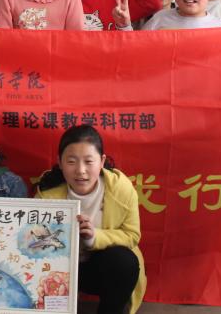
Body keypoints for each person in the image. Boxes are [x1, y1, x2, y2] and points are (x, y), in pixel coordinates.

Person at [35, 125, 145, 313]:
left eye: (88, 161)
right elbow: (33, 244)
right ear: (60, 162)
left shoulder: (121, 189)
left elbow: (132, 235)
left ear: (102, 161)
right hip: (59, 268)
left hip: (101, 267)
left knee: (124, 262)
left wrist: (94, 237)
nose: (81, 170)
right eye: (71, 161)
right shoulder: (46, 195)